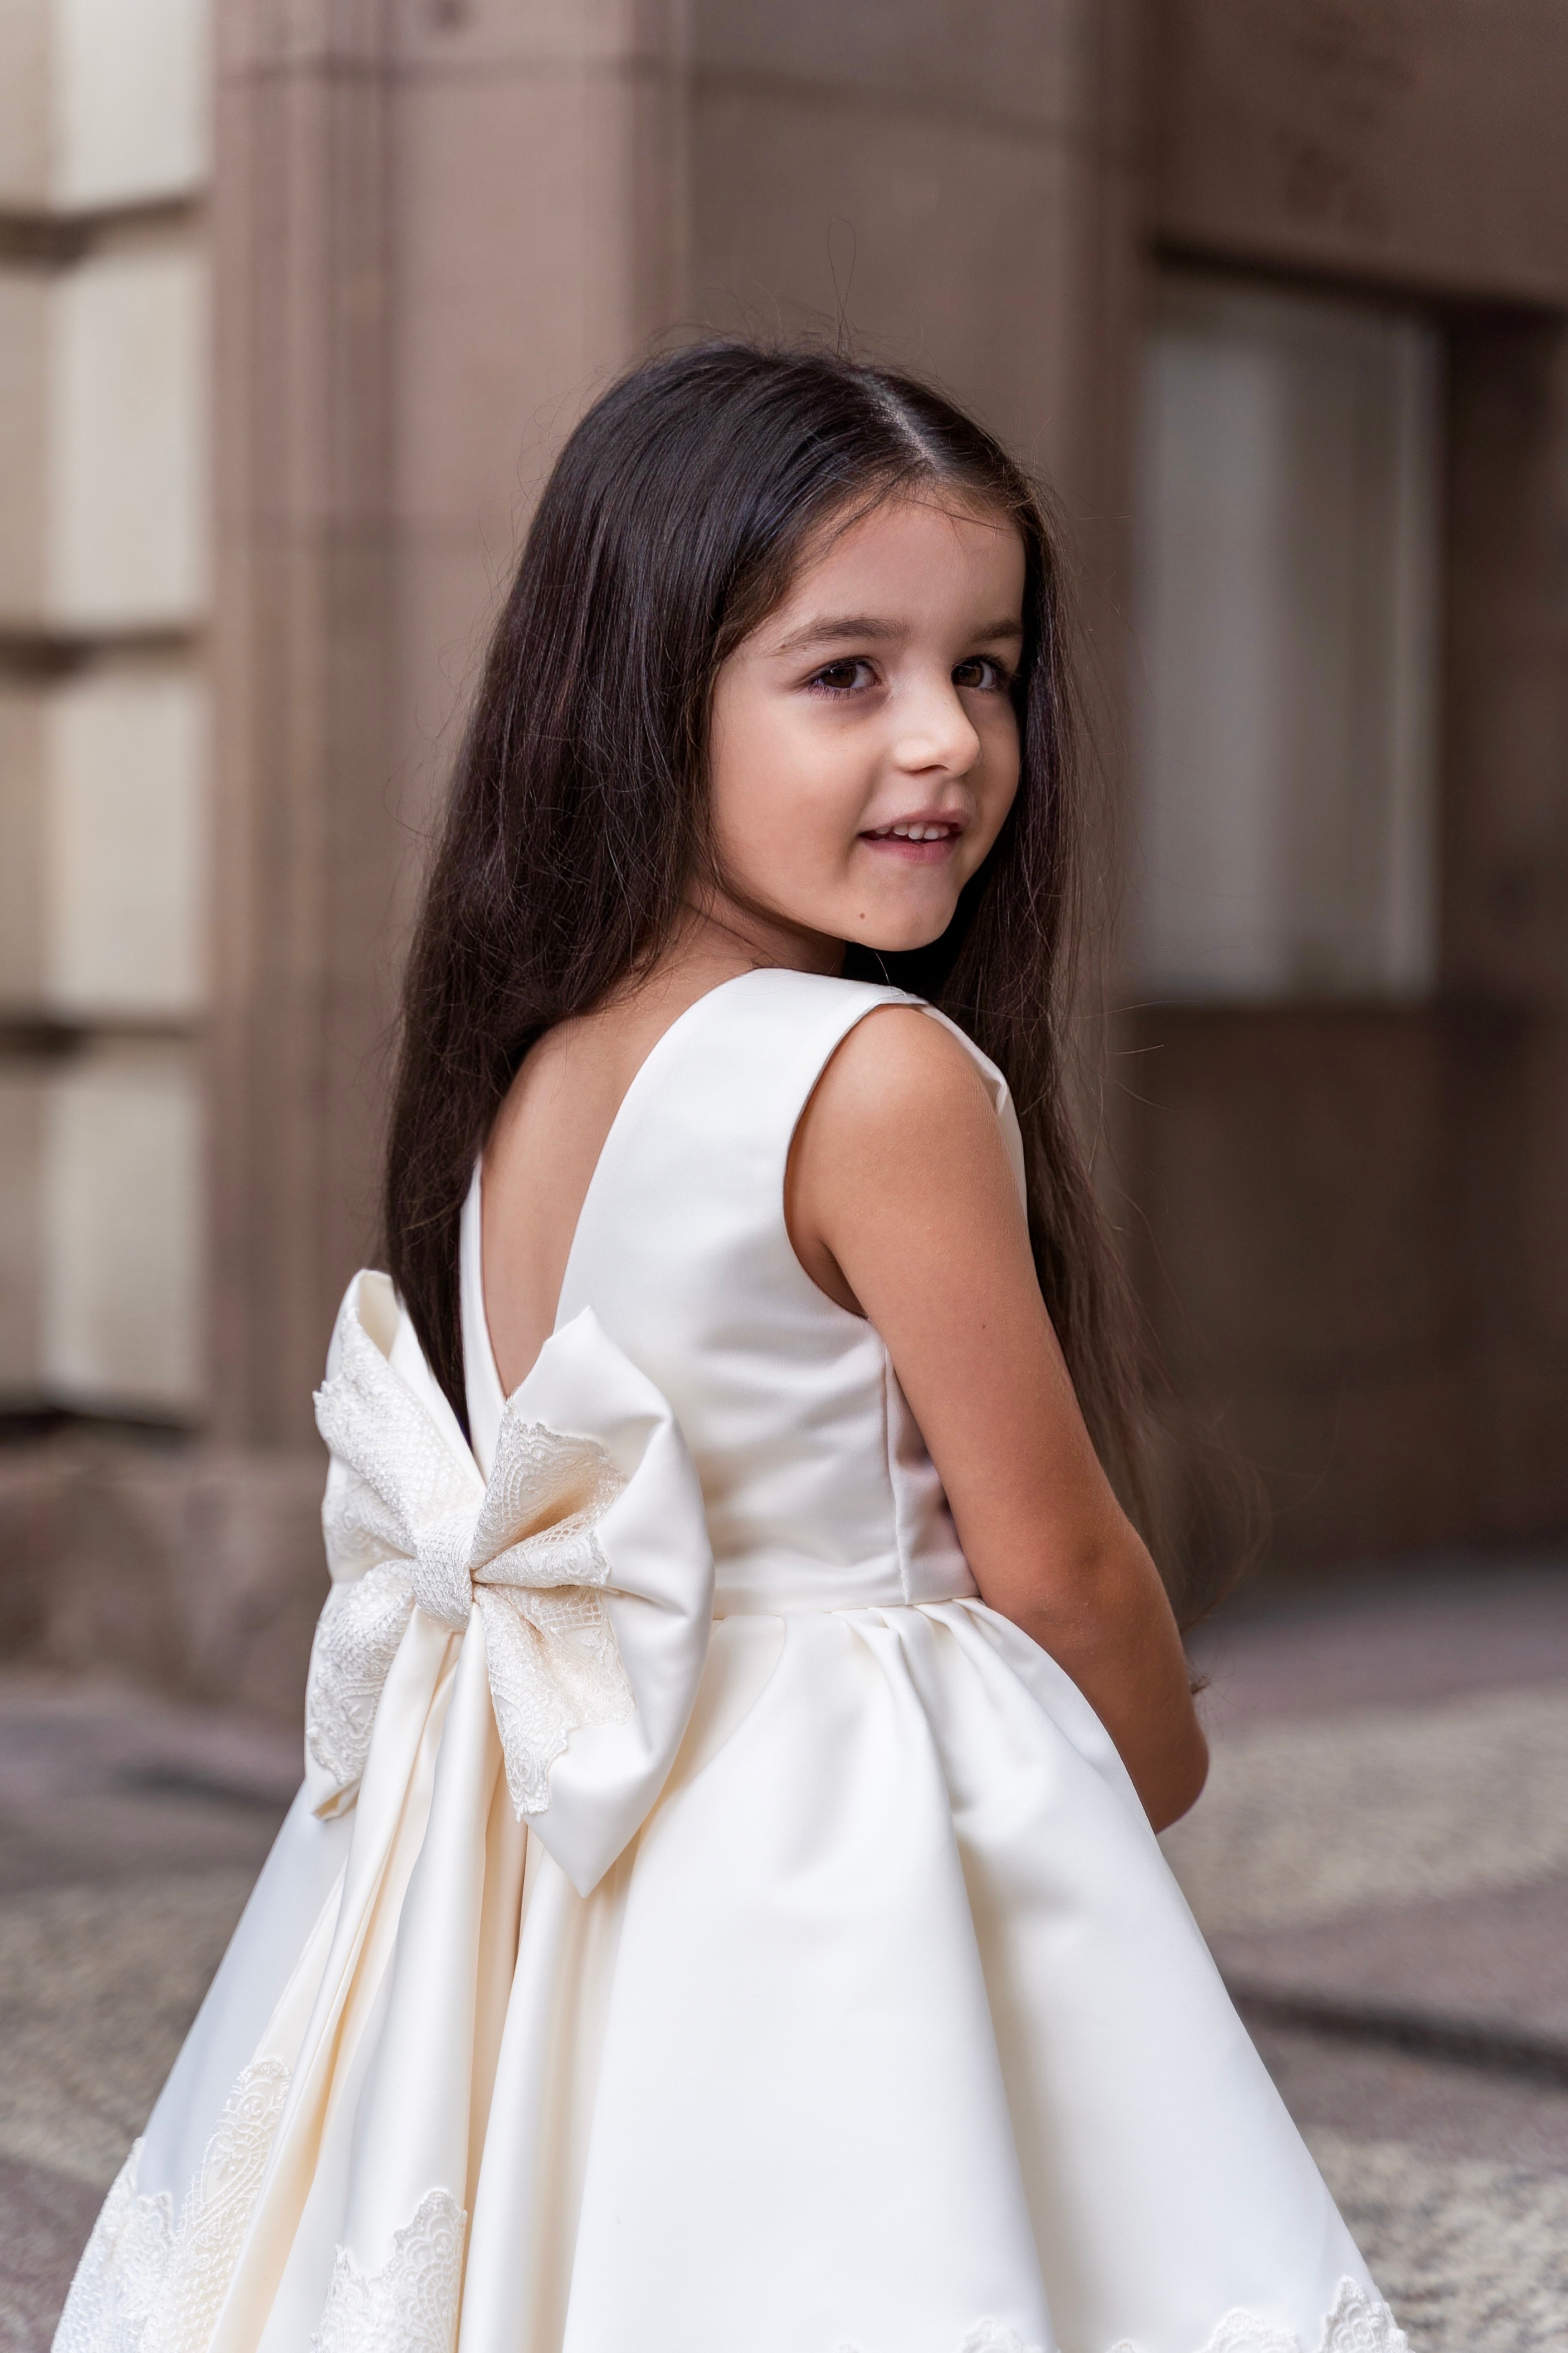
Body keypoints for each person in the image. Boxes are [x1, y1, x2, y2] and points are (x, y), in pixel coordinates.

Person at [55, 345, 1406, 2353]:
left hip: (572, 1866)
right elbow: (1057, 1563)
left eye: (987, 668)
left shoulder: (533, 1072)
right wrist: (1152, 1768)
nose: (947, 741)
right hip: (829, 1870)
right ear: (646, 694)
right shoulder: (874, 1077)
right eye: (846, 672)